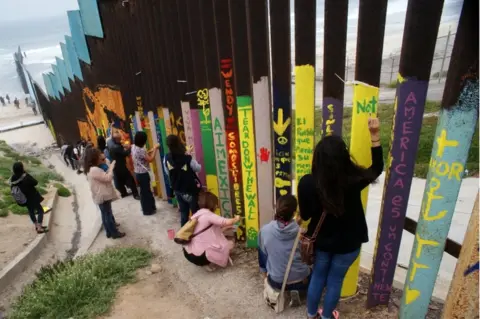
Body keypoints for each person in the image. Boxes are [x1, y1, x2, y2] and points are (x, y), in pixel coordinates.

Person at [298, 118, 383, 319]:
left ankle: (311, 315)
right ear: (344, 158)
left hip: (322, 243)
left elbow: (306, 215)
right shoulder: (353, 180)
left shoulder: (308, 183)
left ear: (317, 157)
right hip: (349, 243)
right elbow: (377, 168)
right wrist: (375, 136)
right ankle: (327, 316)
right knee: (335, 281)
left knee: (318, 277)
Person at [258, 195, 310, 294]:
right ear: (294, 213)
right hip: (301, 282)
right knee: (312, 271)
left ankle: (279, 289)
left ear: (276, 209)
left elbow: (262, 257)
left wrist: (266, 278)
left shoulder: (264, 230)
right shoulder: (302, 232)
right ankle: (298, 291)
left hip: (276, 282)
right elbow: (307, 257)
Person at [183, 191, 239, 271]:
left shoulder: (198, 214)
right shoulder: (208, 215)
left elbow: (211, 232)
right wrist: (236, 219)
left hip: (188, 252)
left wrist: (227, 228)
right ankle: (206, 262)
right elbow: (226, 222)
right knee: (229, 244)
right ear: (214, 204)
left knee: (217, 243)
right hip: (199, 256)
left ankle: (205, 263)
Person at [84, 148, 125, 239]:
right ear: (94, 158)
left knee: (105, 214)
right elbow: (108, 178)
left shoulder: (91, 169)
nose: (101, 159)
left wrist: (105, 163)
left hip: (100, 196)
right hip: (103, 196)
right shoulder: (94, 169)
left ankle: (109, 232)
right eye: (99, 157)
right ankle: (114, 233)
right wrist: (111, 168)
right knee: (108, 215)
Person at [164, 134, 202, 226]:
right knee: (195, 214)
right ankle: (197, 235)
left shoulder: (166, 158)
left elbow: (168, 172)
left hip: (177, 189)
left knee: (184, 213)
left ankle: (183, 235)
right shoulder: (187, 158)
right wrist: (189, 155)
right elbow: (198, 168)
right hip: (189, 190)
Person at [9, 162, 48, 234]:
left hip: (24, 198)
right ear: (21, 168)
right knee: (40, 211)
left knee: (31, 211)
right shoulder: (25, 176)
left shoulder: (13, 177)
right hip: (32, 197)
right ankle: (39, 227)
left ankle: (36, 225)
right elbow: (35, 182)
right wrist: (26, 173)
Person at [132, 131, 160, 215]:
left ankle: (150, 208)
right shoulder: (140, 150)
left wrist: (150, 151)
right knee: (146, 193)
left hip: (138, 173)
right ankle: (147, 210)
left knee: (144, 192)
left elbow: (143, 156)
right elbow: (150, 159)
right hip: (143, 174)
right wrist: (155, 149)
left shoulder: (133, 147)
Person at [108, 131, 140, 199]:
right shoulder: (117, 147)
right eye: (119, 138)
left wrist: (122, 145)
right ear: (117, 139)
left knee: (120, 181)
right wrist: (130, 148)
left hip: (116, 167)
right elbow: (125, 153)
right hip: (121, 166)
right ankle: (136, 194)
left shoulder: (111, 145)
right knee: (130, 180)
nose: (121, 139)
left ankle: (123, 193)